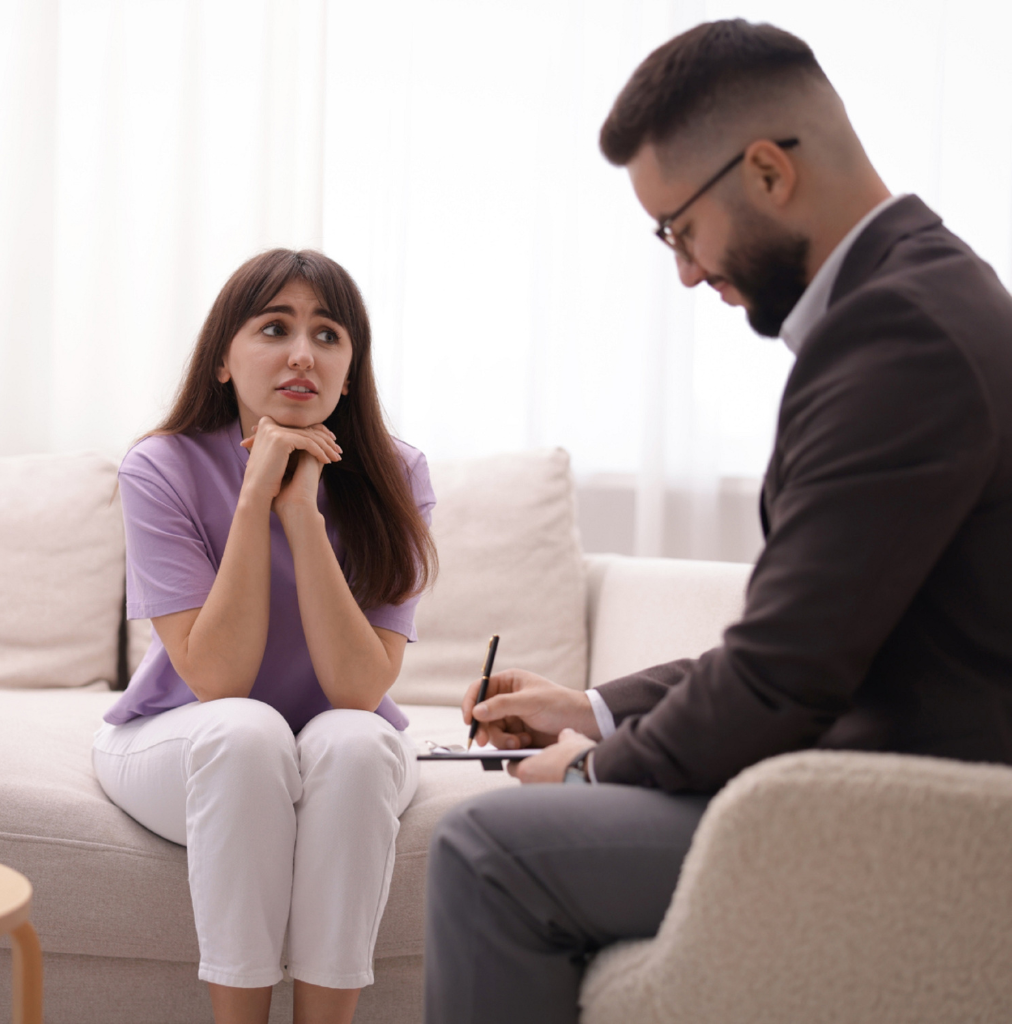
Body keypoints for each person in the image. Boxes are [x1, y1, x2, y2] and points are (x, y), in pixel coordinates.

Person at [424, 19, 1012, 1024]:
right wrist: (595, 708)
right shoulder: (924, 291)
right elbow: (806, 639)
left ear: (769, 171)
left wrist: (595, 769)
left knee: (485, 854)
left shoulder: (895, 332)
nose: (687, 272)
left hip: (910, 816)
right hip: (881, 776)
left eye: (678, 231)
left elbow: (783, 675)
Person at [92, 249, 437, 1024]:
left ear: (352, 369)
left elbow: (360, 688)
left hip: (334, 738)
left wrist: (301, 516)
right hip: (183, 734)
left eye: (328, 335)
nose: (302, 354)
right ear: (223, 357)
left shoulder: (396, 473)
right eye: (274, 328)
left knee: (353, 741)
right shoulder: (162, 466)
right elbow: (216, 680)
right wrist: (255, 497)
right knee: (247, 732)